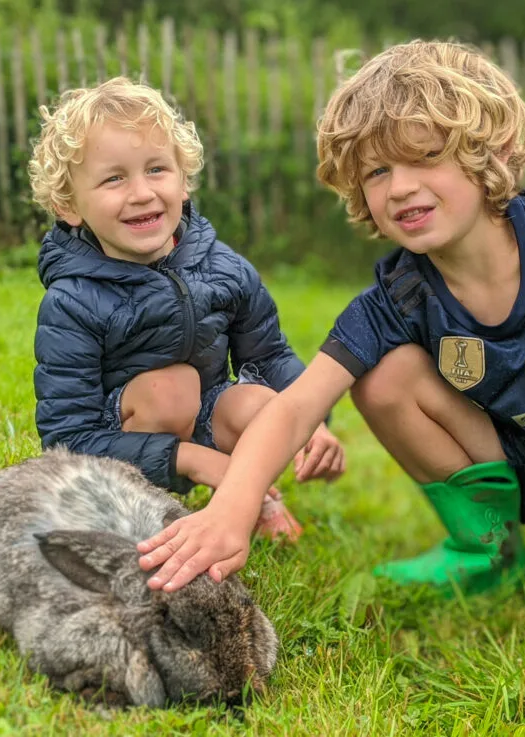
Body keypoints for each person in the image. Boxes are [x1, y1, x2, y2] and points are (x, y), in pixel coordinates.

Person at [136, 41, 525, 657]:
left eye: (424, 157)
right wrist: (231, 511)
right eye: (377, 172)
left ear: (489, 154)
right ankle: (487, 552)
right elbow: (294, 408)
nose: (400, 187)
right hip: (520, 474)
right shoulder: (397, 297)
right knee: (381, 374)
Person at [27, 77, 345, 539]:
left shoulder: (222, 267)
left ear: (184, 182)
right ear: (69, 206)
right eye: (114, 178)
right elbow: (67, 440)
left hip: (207, 413)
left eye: (156, 169)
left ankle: (242, 494)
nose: (141, 192)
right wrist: (191, 458)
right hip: (121, 441)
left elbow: (270, 356)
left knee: (261, 402)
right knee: (171, 388)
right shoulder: (72, 300)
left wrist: (309, 421)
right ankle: (151, 511)